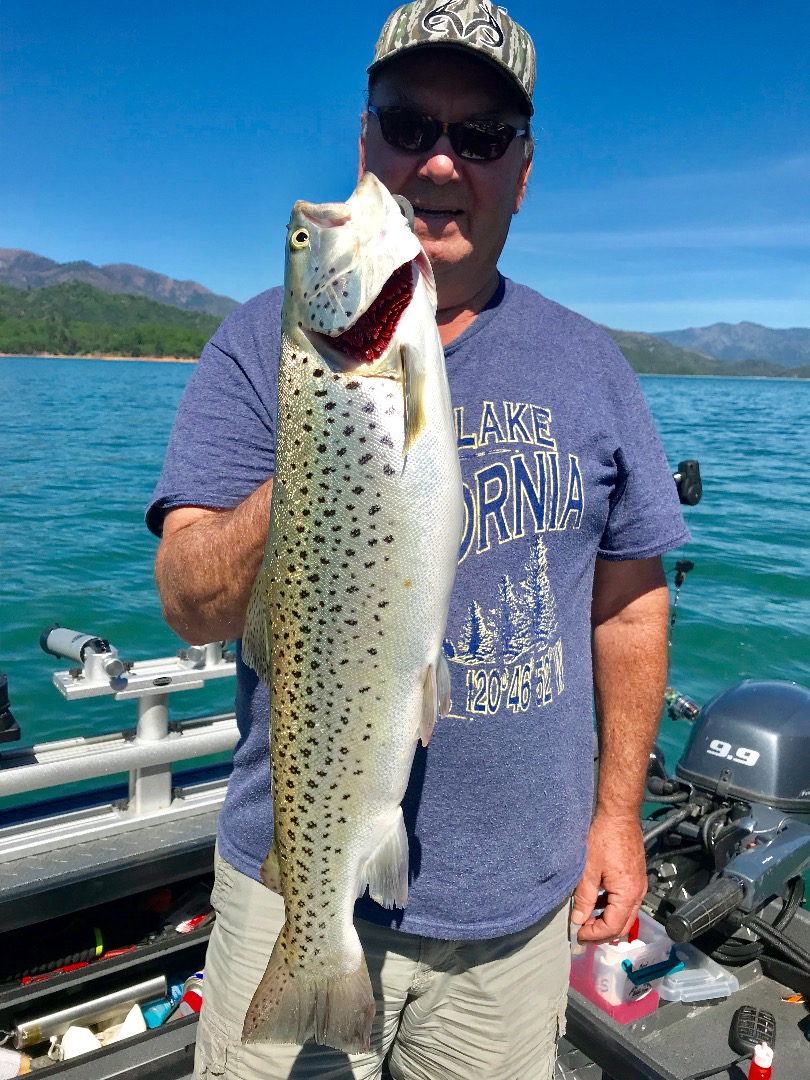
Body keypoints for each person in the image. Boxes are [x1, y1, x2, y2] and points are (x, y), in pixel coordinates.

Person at [147, 3, 690, 1077]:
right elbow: (189, 600)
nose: (439, 161)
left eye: (481, 136)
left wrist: (617, 816)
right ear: (365, 144)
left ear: (523, 171)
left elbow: (631, 601)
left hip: (514, 919)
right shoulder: (263, 345)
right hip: (287, 878)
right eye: (407, 124)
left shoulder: (592, 365)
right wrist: (322, 446)